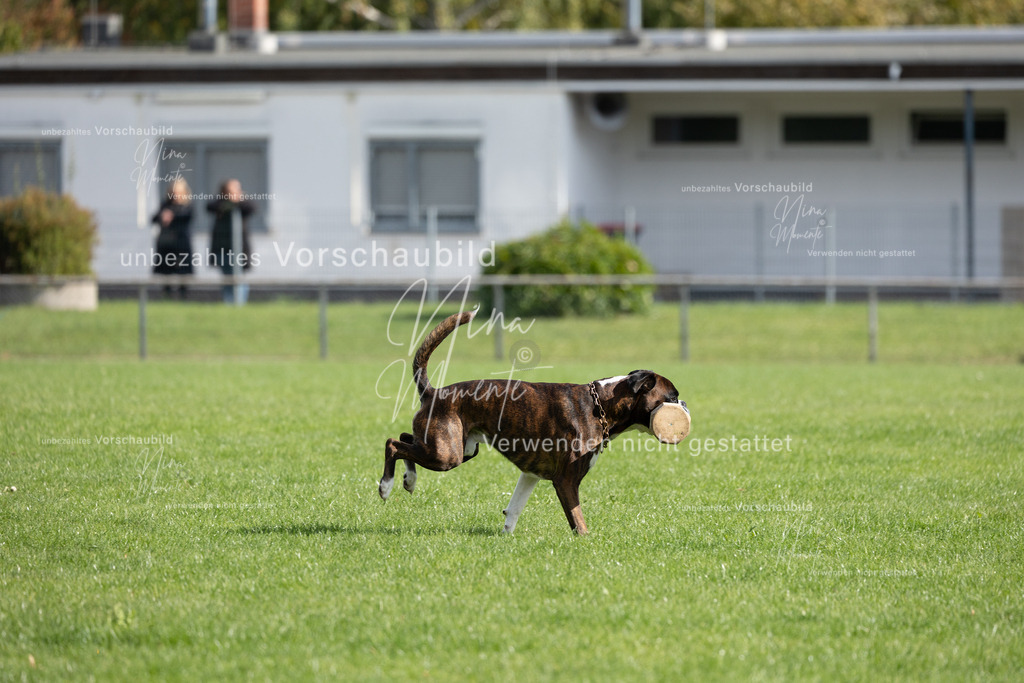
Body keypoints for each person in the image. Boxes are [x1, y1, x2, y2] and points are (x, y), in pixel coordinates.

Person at [207, 178, 255, 304]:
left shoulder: (244, 203)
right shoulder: (219, 203)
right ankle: (229, 303)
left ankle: (239, 303)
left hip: (239, 249)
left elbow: (251, 208)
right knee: (227, 278)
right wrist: (229, 202)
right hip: (222, 247)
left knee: (239, 277)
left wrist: (238, 200)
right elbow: (210, 207)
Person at [151, 177, 194, 299]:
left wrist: (172, 216)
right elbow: (154, 219)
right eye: (174, 193)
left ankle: (183, 296)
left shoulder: (187, 207)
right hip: (166, 244)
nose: (176, 196)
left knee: (183, 272)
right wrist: (162, 216)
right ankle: (167, 295)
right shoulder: (165, 206)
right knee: (166, 271)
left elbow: (187, 218)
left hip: (182, 245)